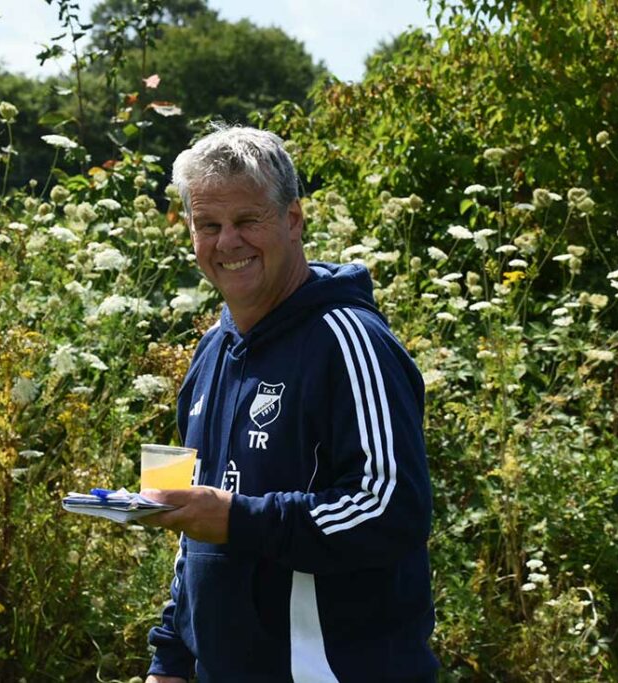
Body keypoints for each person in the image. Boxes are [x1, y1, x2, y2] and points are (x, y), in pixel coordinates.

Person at [141, 125, 437, 683]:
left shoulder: (348, 340)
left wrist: (237, 519)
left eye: (248, 220)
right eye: (209, 225)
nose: (227, 241)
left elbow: (390, 509)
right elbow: (193, 534)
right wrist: (172, 660)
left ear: (293, 220)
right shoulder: (210, 351)